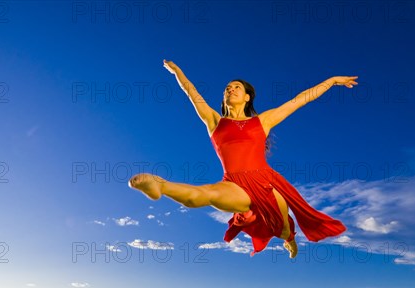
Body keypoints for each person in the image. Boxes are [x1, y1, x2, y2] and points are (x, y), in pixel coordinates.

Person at [129, 60, 357, 258]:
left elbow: (300, 100)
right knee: (207, 194)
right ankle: (159, 185)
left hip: (266, 181)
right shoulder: (215, 122)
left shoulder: (263, 121)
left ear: (247, 97)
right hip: (234, 183)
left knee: (283, 225)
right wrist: (177, 72)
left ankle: (290, 238)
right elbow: (192, 94)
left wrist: (332, 81)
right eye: (227, 88)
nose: (231, 89)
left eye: (237, 87)